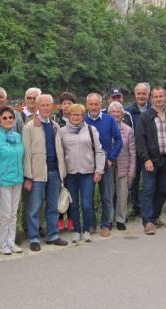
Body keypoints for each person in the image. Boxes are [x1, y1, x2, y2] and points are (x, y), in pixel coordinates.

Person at [22, 94, 68, 250]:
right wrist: (28, 176)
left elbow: (60, 151)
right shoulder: (29, 127)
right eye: (43, 105)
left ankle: (52, 235)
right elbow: (26, 153)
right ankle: (34, 238)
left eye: (49, 105)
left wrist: (62, 173)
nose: (46, 108)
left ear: (53, 107)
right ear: (38, 106)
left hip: (54, 171)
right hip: (37, 174)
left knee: (53, 206)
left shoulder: (55, 126)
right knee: (34, 207)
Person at [135, 87, 166, 235]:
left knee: (162, 189)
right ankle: (147, 221)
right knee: (148, 190)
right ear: (151, 98)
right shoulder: (145, 117)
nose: (158, 99)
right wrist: (146, 159)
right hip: (151, 161)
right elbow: (140, 140)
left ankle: (155, 216)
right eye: (155, 96)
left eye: (161, 96)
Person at [59, 103, 106, 242]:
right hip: (70, 174)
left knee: (86, 203)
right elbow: (59, 153)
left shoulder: (91, 130)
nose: (76, 117)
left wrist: (99, 170)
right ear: (68, 116)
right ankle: (76, 230)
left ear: (83, 116)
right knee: (73, 204)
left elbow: (99, 151)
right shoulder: (62, 132)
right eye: (73, 114)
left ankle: (86, 229)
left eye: (79, 114)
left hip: (88, 172)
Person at [84, 93, 123, 237]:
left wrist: (111, 157)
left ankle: (106, 224)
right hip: (87, 164)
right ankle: (91, 224)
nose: (94, 107)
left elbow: (119, 140)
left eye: (97, 104)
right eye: (91, 104)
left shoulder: (109, 120)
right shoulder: (82, 119)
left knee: (106, 195)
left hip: (105, 163)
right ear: (87, 104)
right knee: (88, 197)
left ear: (101, 105)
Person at [0, 106, 25, 255]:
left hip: (17, 180)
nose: (8, 120)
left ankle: (11, 241)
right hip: (3, 181)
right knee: (5, 214)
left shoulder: (17, 136)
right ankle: (1, 242)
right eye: (4, 118)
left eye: (10, 117)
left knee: (14, 213)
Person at [107, 101, 136, 231]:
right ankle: (108, 219)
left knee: (122, 195)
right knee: (108, 194)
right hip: (107, 166)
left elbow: (133, 153)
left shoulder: (128, 130)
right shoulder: (104, 127)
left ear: (122, 114)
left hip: (123, 167)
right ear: (108, 114)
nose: (115, 114)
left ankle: (120, 219)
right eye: (112, 111)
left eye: (118, 112)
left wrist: (131, 172)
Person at [125, 82, 151, 217]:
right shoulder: (127, 111)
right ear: (135, 95)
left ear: (148, 95)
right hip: (133, 152)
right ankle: (136, 207)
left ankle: (148, 208)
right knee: (133, 181)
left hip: (149, 152)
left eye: (144, 93)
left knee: (148, 183)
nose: (141, 96)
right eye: (138, 93)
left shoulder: (153, 109)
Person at [52, 91, 76, 232]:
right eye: (64, 103)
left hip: (73, 160)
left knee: (72, 191)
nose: (66, 106)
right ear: (60, 106)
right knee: (59, 191)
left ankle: (72, 219)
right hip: (59, 161)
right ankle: (59, 220)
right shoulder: (55, 120)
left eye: (69, 103)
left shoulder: (78, 118)